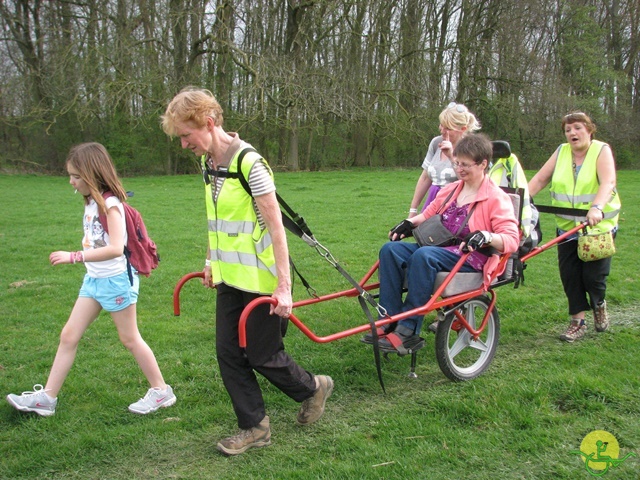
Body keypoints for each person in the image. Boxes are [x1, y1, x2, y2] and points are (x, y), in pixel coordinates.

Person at [161, 87, 333, 456]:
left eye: (186, 136)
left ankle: (314, 388)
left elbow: (276, 229)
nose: (183, 145)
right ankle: (254, 427)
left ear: (208, 123)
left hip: (261, 279)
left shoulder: (249, 164)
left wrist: (284, 287)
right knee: (228, 353)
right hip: (229, 278)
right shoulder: (208, 164)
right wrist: (210, 262)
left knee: (262, 355)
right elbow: (217, 219)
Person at [6, 143, 175, 416]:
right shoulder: (90, 202)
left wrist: (74, 256)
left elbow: (116, 247)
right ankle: (47, 399)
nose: (71, 181)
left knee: (130, 339)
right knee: (69, 335)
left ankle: (161, 391)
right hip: (94, 281)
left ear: (91, 174)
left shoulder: (111, 205)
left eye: (75, 176)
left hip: (116, 281)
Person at [365, 134, 519, 351]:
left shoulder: (496, 197)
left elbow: (512, 239)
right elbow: (428, 215)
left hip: (469, 257)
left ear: (483, 164)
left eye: (465, 164)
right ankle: (388, 319)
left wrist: (486, 236)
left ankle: (408, 329)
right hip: (441, 249)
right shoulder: (452, 189)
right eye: (456, 163)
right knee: (390, 250)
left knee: (423, 255)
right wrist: (408, 223)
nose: (459, 169)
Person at [528, 112, 621, 342]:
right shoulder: (561, 152)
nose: (572, 133)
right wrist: (519, 200)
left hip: (597, 228)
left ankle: (598, 304)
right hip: (567, 228)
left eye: (578, 128)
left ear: (589, 130)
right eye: (568, 130)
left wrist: (597, 207)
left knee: (593, 278)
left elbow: (608, 181)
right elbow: (540, 179)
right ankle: (577, 322)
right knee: (570, 276)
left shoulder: (601, 150)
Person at [409, 102, 481, 215]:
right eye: (441, 125)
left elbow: (473, 184)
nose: (442, 130)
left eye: (448, 128)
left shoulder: (473, 148)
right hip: (433, 204)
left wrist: (451, 157)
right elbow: (425, 178)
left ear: (463, 128)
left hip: (457, 207)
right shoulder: (436, 142)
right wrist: (413, 210)